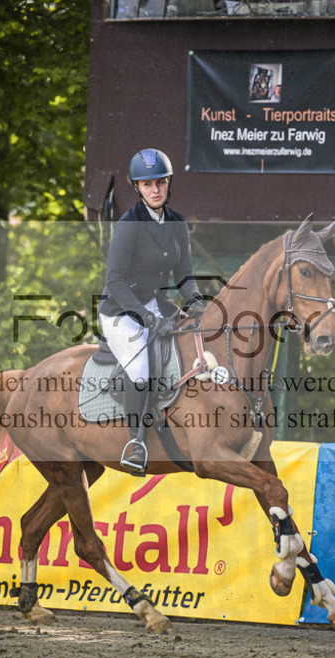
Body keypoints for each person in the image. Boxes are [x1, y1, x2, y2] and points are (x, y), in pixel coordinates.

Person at [98, 149, 205, 475]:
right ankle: (136, 443)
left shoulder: (176, 224)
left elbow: (184, 275)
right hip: (121, 308)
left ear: (168, 183)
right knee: (142, 368)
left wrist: (196, 302)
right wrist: (145, 319)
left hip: (157, 305)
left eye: (160, 182)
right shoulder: (129, 225)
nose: (155, 189)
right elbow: (115, 281)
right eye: (147, 184)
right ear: (138, 188)